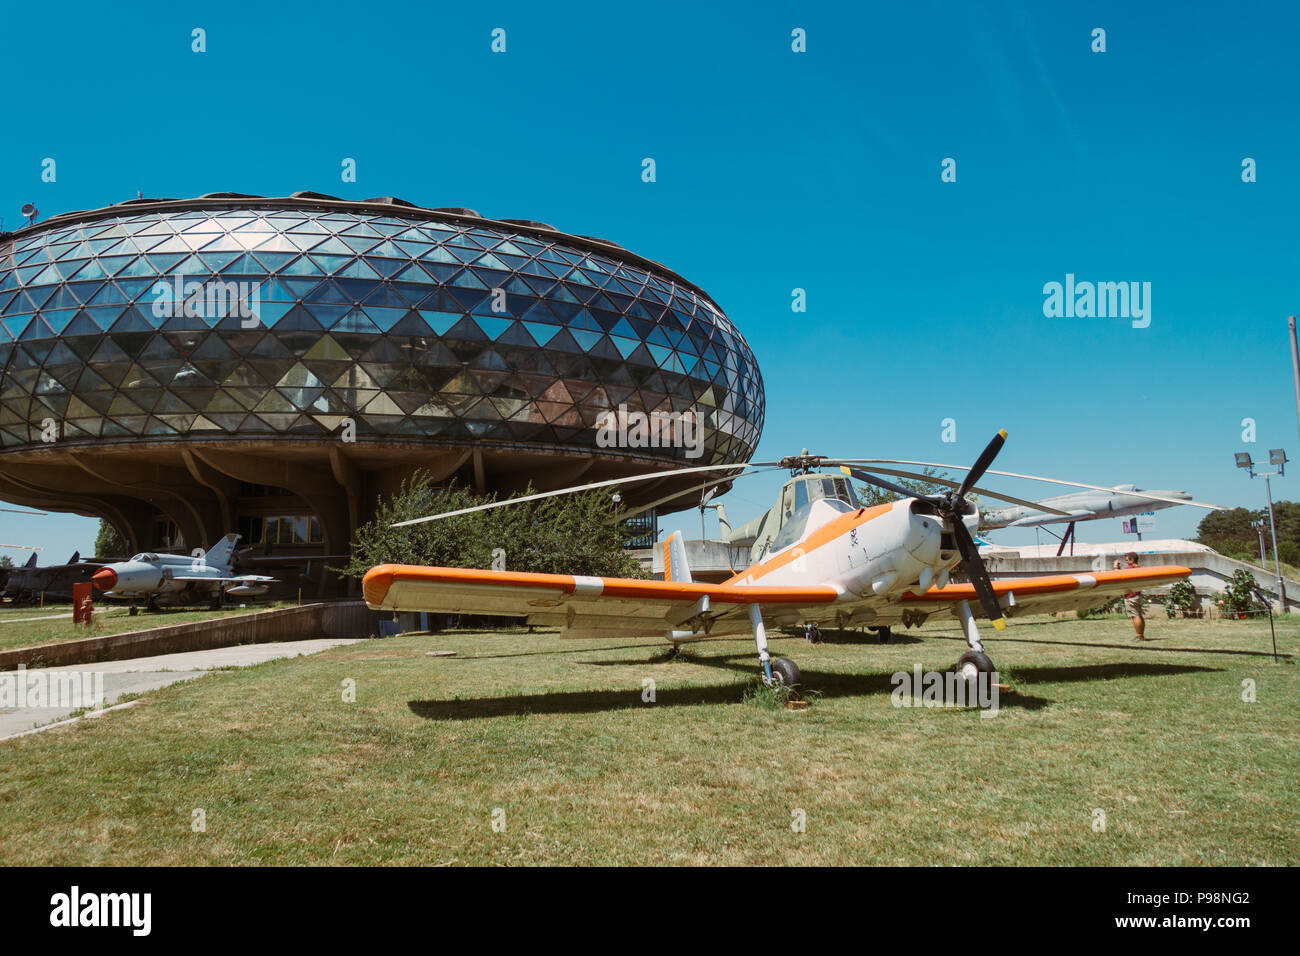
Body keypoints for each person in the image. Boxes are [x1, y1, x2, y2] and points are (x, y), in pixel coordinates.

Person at [1116, 551, 1146, 640]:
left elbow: (1118, 575)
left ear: (1132, 560)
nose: (1126, 562)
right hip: (1137, 594)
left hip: (1131, 596)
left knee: (1135, 615)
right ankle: (1140, 635)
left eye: (1127, 560)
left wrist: (1116, 567)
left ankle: (1139, 636)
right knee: (1139, 615)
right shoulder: (1138, 568)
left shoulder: (1131, 569)